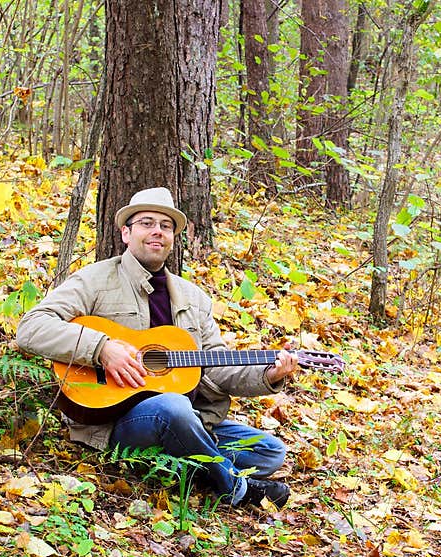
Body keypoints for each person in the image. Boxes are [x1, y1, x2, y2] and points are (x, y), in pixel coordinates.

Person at [15, 187, 297, 509]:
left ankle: (180, 461)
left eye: (165, 226)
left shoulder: (195, 299)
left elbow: (217, 365)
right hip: (115, 422)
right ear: (126, 233)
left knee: (270, 451)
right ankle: (236, 488)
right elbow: (32, 327)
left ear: (173, 238)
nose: (157, 232)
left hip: (193, 418)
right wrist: (102, 348)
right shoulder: (94, 280)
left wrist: (269, 374)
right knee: (172, 408)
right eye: (147, 223)